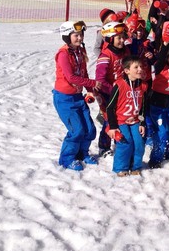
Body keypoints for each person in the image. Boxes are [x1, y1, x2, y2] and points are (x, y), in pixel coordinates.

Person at [53, 20, 101, 171]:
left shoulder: (80, 51)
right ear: (67, 36)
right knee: (77, 130)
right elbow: (71, 77)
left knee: (89, 128)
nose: (80, 38)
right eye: (76, 35)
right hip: (64, 99)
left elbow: (83, 73)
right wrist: (92, 83)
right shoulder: (63, 54)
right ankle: (67, 159)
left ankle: (82, 153)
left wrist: (89, 89)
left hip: (77, 96)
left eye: (81, 35)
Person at [106, 56, 148, 177]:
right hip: (121, 121)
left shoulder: (142, 85)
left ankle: (135, 166)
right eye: (136, 67)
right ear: (127, 70)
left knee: (139, 142)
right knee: (126, 142)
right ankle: (121, 167)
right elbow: (110, 107)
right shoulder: (119, 85)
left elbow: (143, 107)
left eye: (141, 66)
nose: (140, 69)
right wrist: (113, 126)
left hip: (135, 121)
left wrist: (142, 123)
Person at [94, 20, 130, 157]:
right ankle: (104, 146)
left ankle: (120, 140)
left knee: (123, 117)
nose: (122, 41)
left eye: (123, 37)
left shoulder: (125, 51)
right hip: (108, 93)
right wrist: (115, 90)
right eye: (118, 38)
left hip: (123, 92)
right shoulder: (105, 55)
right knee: (110, 119)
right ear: (110, 39)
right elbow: (101, 80)